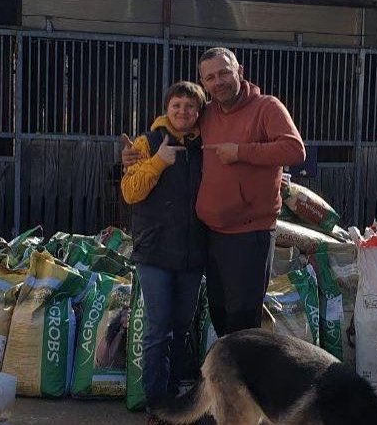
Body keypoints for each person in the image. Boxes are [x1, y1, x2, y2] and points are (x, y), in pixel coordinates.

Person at [124, 48, 305, 337]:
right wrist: (137, 152)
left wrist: (241, 152)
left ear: (239, 71)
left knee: (243, 320)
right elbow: (174, 121)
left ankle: (243, 380)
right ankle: (226, 378)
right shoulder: (207, 113)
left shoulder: (266, 107)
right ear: (204, 83)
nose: (218, 81)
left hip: (249, 233)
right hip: (211, 234)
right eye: (210, 77)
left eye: (223, 73)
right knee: (220, 314)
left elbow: (295, 150)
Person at [120, 81, 208, 419]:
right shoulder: (147, 143)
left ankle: (175, 397)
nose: (183, 111)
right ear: (166, 109)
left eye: (190, 106)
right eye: (177, 105)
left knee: (182, 328)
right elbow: (130, 192)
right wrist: (158, 161)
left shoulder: (203, 146)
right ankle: (156, 403)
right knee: (158, 329)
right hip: (155, 252)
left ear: (198, 112)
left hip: (191, 253)